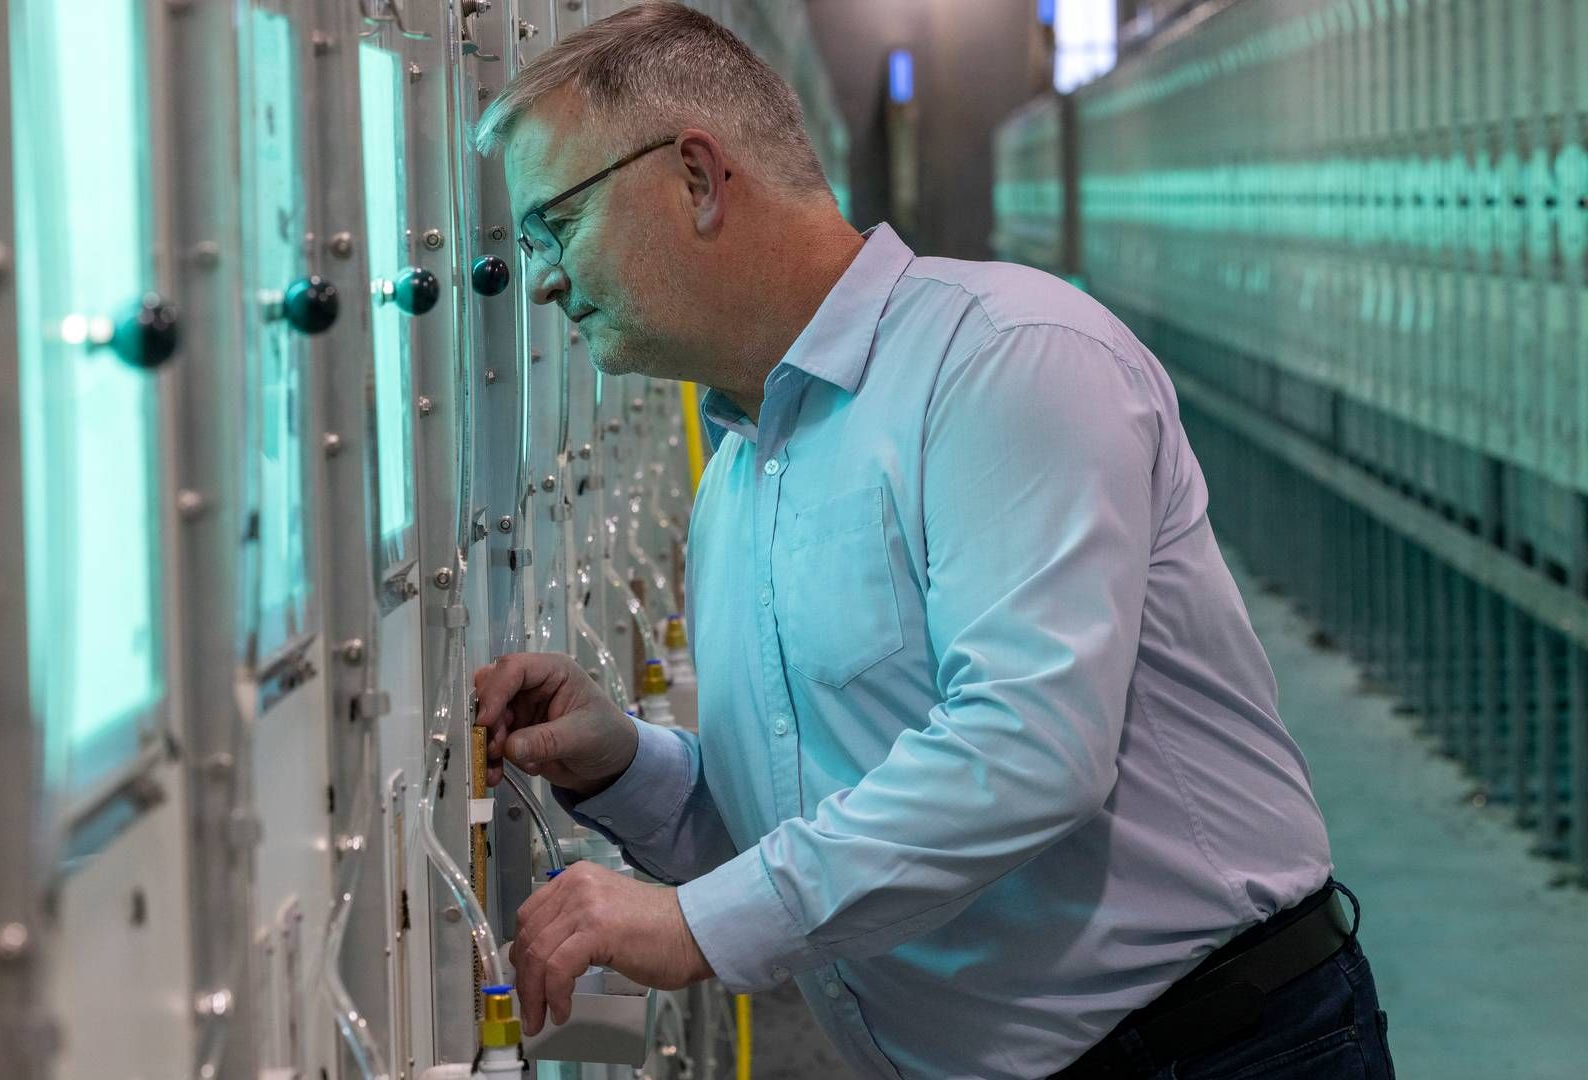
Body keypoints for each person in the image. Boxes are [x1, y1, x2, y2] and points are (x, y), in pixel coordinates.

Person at [470, 5, 1393, 1078]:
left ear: (696, 177)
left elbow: (1030, 748)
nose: (540, 279)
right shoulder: (737, 478)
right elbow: (805, 831)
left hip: (1211, 1052)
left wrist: (691, 928)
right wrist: (625, 766)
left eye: (557, 225)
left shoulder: (1007, 361)